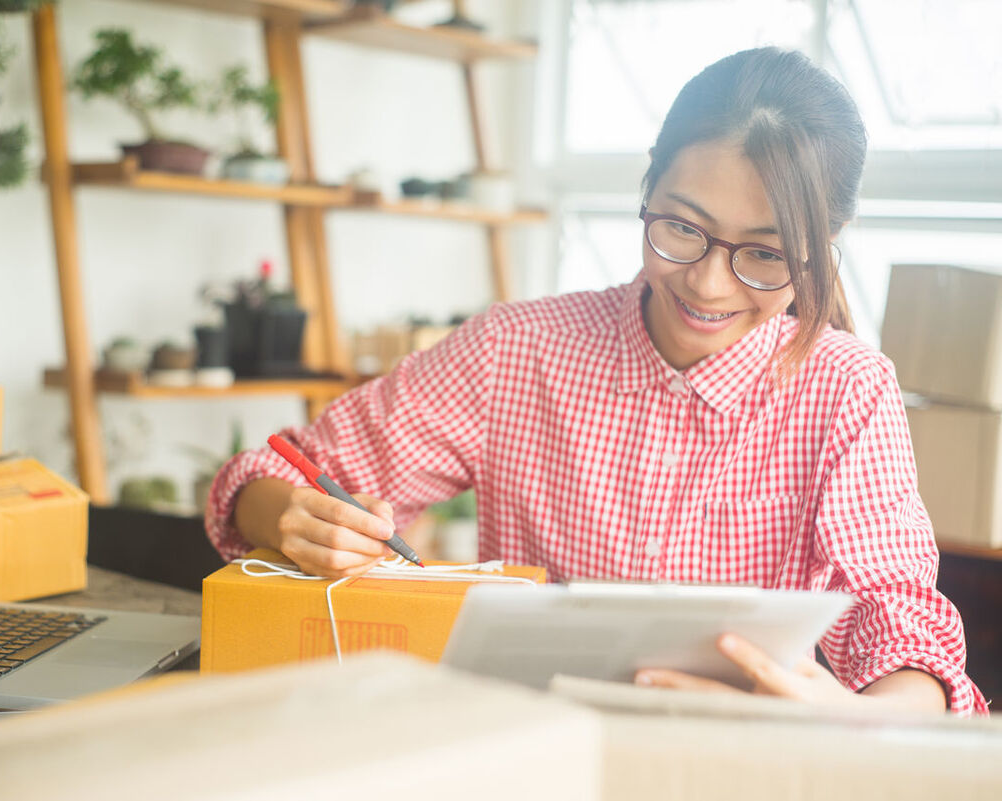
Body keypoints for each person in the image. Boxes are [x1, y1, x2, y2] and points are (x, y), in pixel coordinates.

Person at [205, 47, 988, 716]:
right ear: (647, 187)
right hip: (522, 754)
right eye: (681, 227)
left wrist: (853, 714)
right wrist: (289, 517)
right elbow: (271, 469)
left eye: (765, 253)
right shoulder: (518, 349)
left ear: (827, 243)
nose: (709, 285)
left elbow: (904, 621)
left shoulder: (845, 387)